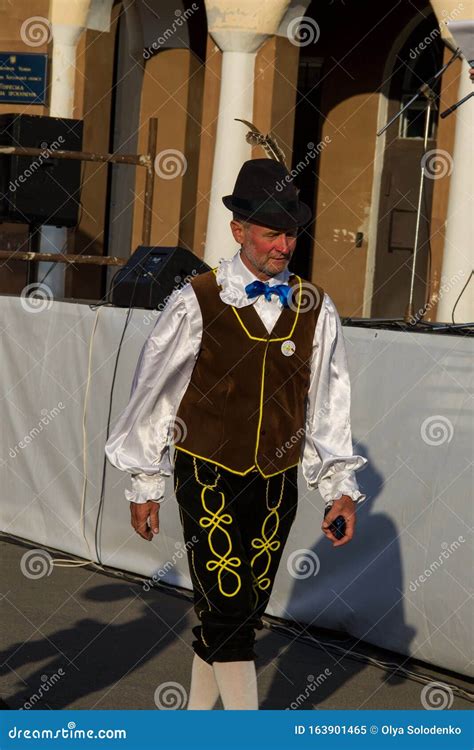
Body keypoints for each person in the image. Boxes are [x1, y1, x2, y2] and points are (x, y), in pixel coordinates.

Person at [105, 158, 368, 710]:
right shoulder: (196, 299)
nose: (284, 246)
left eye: (291, 234)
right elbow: (155, 396)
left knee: (238, 614)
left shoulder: (316, 308)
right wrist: (145, 481)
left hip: (276, 485)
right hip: (206, 473)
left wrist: (337, 486)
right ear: (238, 231)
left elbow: (327, 406)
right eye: (272, 233)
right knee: (229, 613)